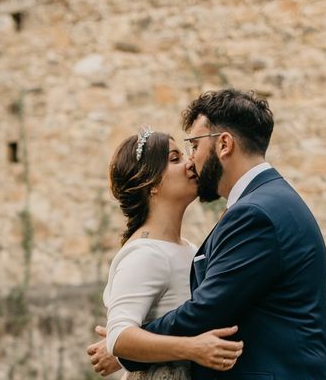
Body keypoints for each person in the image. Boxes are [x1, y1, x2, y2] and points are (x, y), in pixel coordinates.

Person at [114, 89, 326, 379]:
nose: (191, 161)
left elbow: (207, 311)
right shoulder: (268, 201)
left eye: (194, 146)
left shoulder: (255, 214)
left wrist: (130, 347)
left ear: (224, 144)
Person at [87, 128, 244, 379]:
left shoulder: (189, 249)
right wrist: (193, 348)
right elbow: (118, 336)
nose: (190, 162)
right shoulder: (145, 254)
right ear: (150, 184)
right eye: (175, 159)